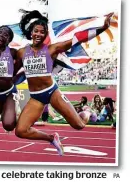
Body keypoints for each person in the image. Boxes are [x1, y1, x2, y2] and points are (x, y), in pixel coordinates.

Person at [13, 10, 112, 156]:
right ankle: (51, 138)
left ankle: (87, 112)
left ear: (45, 35)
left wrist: (102, 28)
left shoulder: (52, 49)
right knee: (20, 131)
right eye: (36, 31)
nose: (38, 34)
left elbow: (77, 39)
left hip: (52, 92)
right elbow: (12, 73)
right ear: (31, 32)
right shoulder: (22, 52)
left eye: (42, 32)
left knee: (79, 125)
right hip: (36, 97)